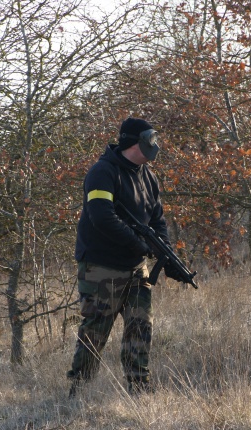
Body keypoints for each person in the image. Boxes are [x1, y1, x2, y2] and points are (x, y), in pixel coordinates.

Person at [67, 117, 180, 398]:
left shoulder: (148, 176)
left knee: (141, 325)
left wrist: (162, 247)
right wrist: (139, 244)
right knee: (96, 328)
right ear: (134, 142)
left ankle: (139, 386)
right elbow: (101, 216)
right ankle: (80, 388)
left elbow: (158, 218)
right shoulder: (102, 173)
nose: (154, 147)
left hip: (136, 268)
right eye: (149, 141)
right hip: (101, 266)